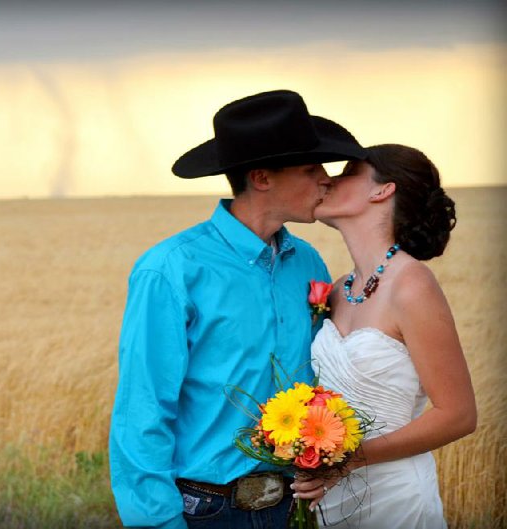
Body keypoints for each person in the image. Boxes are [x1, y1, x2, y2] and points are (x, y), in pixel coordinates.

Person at [109, 90, 366, 529]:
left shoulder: (308, 262)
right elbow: (143, 410)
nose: (327, 179)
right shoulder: (172, 269)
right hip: (206, 511)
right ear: (262, 178)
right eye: (311, 168)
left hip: (297, 508)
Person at [291, 144, 477, 528]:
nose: (328, 180)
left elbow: (458, 415)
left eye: (347, 172)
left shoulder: (412, 285)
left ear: (382, 191)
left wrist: (349, 460)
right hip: (331, 500)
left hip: (397, 500)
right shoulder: (339, 289)